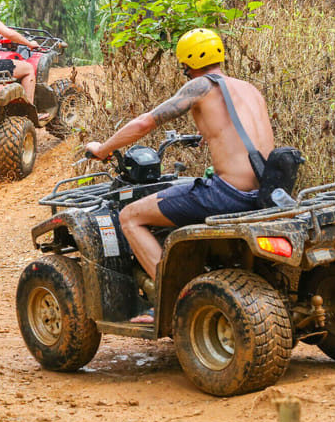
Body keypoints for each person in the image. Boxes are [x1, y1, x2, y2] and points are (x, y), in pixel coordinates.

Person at [85, 28, 274, 321]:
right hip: (265, 192)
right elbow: (236, 131)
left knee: (130, 217)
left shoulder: (201, 87)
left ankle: (174, 299)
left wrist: (103, 147)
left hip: (229, 194)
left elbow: (146, 123)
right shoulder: (249, 89)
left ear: (187, 62)